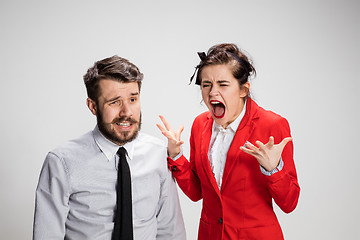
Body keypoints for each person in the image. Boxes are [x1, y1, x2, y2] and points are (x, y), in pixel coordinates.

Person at [33, 55, 186, 240]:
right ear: (93, 106)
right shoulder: (61, 162)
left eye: (132, 99)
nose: (126, 113)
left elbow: (171, 232)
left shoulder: (158, 154)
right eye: (114, 102)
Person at [157, 43, 300, 240]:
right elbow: (197, 192)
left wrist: (273, 169)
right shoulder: (200, 125)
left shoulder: (272, 125)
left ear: (243, 90)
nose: (212, 92)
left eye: (223, 84)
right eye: (206, 84)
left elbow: (289, 203)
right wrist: (176, 155)